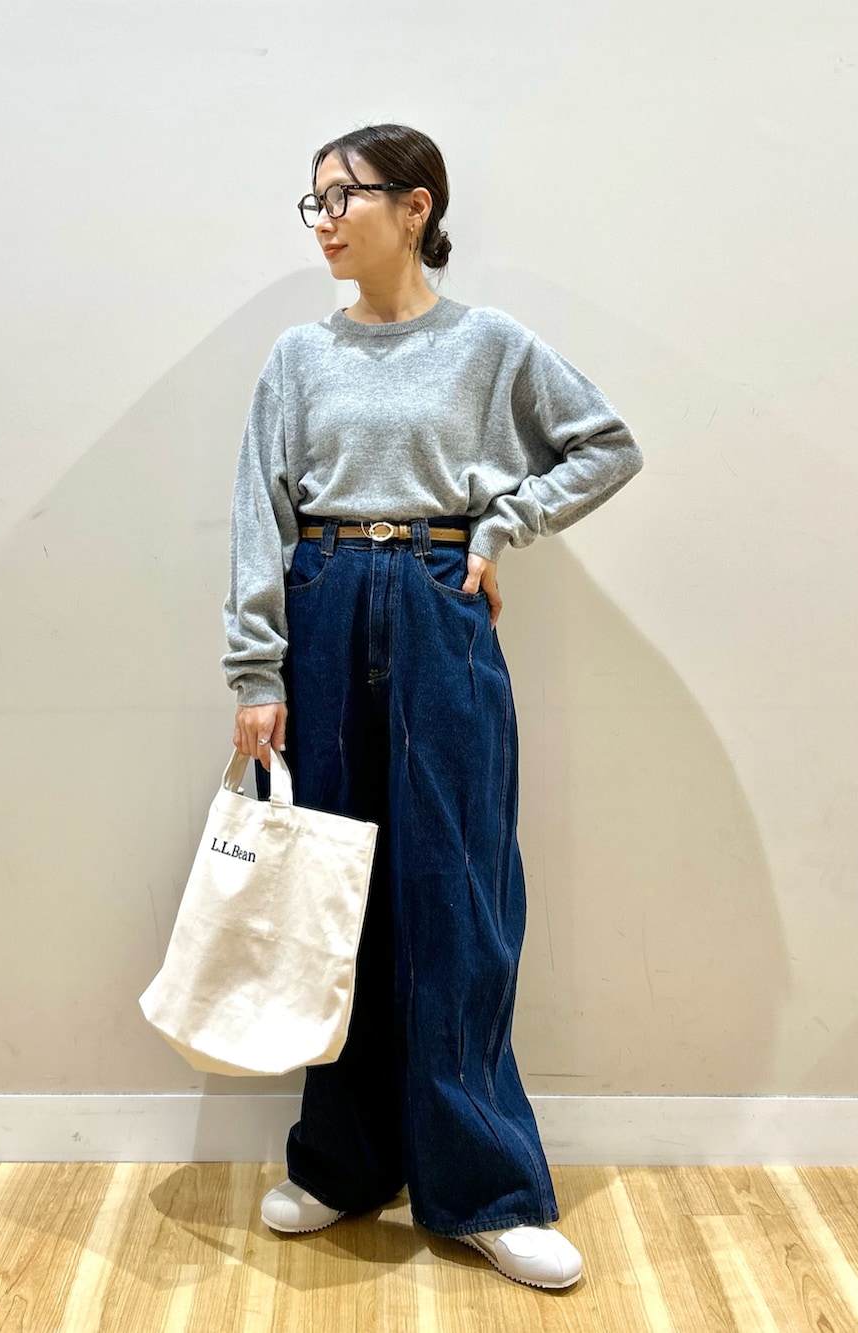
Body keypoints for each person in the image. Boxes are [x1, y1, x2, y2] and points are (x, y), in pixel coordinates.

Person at [220, 122, 643, 1291]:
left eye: (342, 196)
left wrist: (500, 524)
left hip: (438, 599)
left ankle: (486, 1187)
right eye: (311, 200)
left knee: (459, 893)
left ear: (415, 208)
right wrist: (255, 671)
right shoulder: (298, 358)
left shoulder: (489, 346)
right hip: (323, 604)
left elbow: (604, 445)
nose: (323, 220)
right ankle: (343, 1160)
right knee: (331, 889)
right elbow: (259, 512)